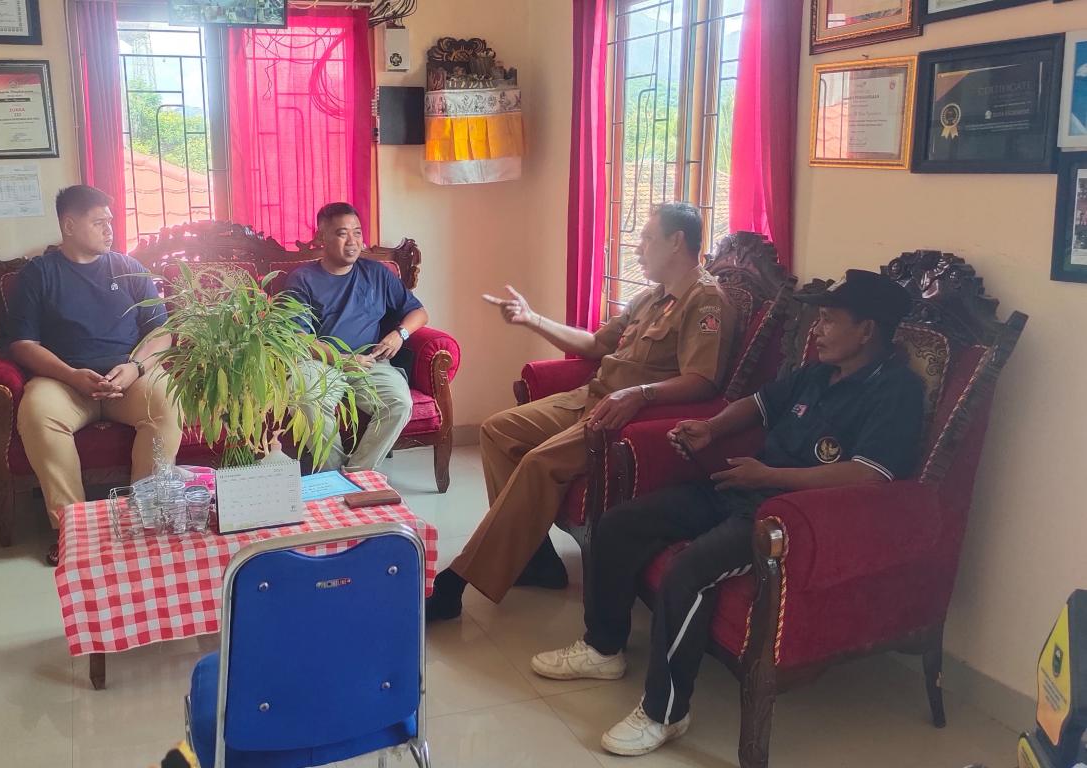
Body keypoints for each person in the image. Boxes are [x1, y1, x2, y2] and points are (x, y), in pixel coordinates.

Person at [529, 270, 924, 757]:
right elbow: (757, 405)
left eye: (829, 320)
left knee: (687, 571)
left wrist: (770, 477)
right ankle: (603, 647)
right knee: (620, 524)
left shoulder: (896, 391)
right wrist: (710, 429)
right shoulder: (818, 372)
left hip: (788, 518)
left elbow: (870, 476)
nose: (818, 330)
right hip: (746, 485)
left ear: (866, 330)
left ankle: (665, 713)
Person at [425, 202, 739, 621]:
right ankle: (535, 559)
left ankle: (458, 581)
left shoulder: (705, 302)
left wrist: (641, 394)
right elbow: (594, 345)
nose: (638, 247)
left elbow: (703, 381)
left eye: (647, 238)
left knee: (539, 463)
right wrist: (532, 319)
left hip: (626, 418)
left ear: (676, 241)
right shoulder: (652, 296)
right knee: (499, 430)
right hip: (592, 397)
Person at [8, 185, 183, 565]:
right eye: (99, 222)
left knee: (167, 402)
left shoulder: (130, 268)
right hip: (64, 381)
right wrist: (72, 375)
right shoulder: (39, 274)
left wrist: (136, 367)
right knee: (38, 413)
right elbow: (22, 344)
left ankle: (144, 518)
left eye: (111, 221)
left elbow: (162, 333)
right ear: (69, 225)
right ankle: (72, 531)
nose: (109, 230)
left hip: (128, 378)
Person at [284, 202, 428, 472]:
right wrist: (342, 360)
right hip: (320, 362)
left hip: (370, 361)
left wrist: (400, 334)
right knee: (305, 398)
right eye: (342, 233)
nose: (353, 241)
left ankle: (357, 476)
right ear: (321, 238)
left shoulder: (377, 273)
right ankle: (332, 474)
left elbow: (419, 313)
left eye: (357, 232)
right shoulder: (302, 279)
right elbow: (298, 337)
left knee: (399, 403)